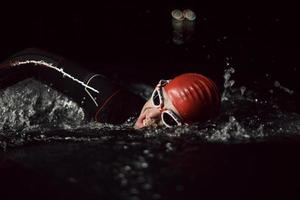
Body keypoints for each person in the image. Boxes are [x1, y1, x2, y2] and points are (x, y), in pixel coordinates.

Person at [0, 48, 220, 129]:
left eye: (169, 119)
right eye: (156, 98)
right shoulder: (106, 100)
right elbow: (33, 61)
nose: (150, 115)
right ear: (157, 86)